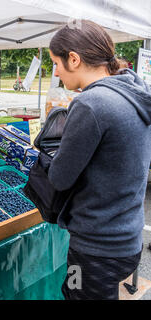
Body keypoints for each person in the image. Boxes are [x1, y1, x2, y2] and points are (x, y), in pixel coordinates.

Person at [47, 20, 151, 300]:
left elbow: (60, 177)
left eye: (56, 63)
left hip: (94, 251)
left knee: (76, 293)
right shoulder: (134, 92)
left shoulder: (91, 103)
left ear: (74, 59)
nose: (56, 72)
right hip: (128, 241)